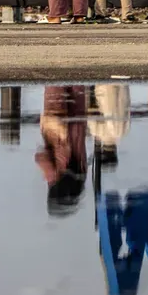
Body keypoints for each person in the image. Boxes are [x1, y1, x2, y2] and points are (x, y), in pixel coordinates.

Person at [36, 85, 88, 216]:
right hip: (56, 125)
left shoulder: (81, 171)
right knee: (55, 85)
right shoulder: (54, 176)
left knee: (76, 86)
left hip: (77, 121)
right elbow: (40, 157)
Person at [89, 83, 130, 169]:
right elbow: (91, 111)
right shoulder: (97, 133)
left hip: (120, 86)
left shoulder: (124, 131)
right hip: (103, 89)